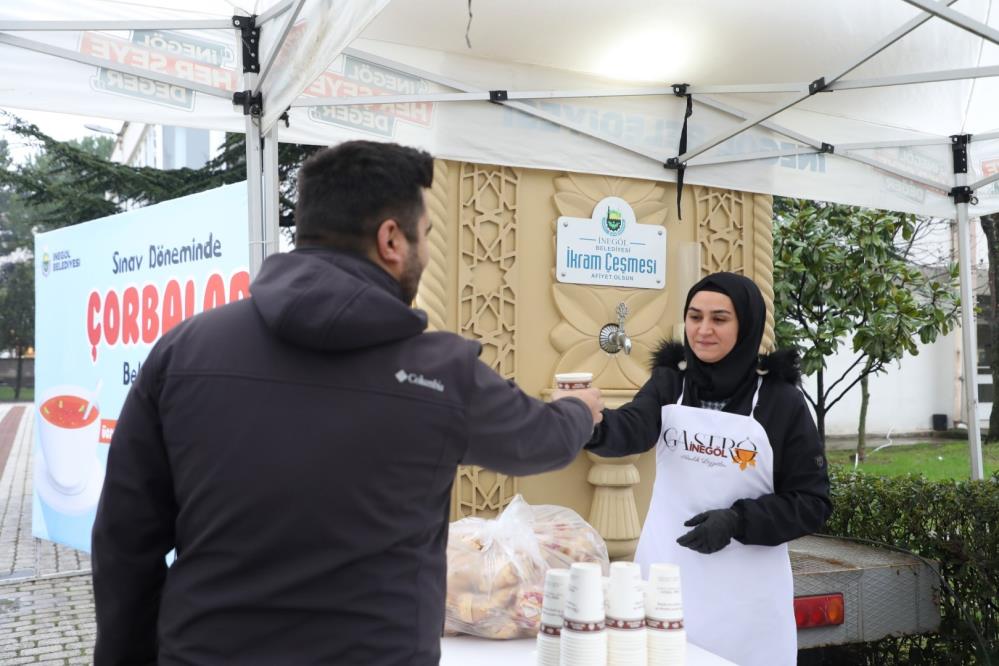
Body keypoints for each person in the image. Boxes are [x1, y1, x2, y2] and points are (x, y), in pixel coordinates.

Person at [91, 140, 604, 666]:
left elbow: (125, 541)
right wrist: (581, 408)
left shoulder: (184, 351)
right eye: (425, 236)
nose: (425, 253)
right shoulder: (441, 372)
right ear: (390, 239)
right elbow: (540, 440)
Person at [581, 272, 831, 666]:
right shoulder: (671, 383)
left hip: (746, 602)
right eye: (694, 317)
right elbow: (633, 428)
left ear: (746, 325)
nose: (703, 330)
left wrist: (737, 521)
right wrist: (586, 423)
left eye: (719, 319)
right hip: (666, 581)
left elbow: (812, 502)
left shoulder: (780, 401)